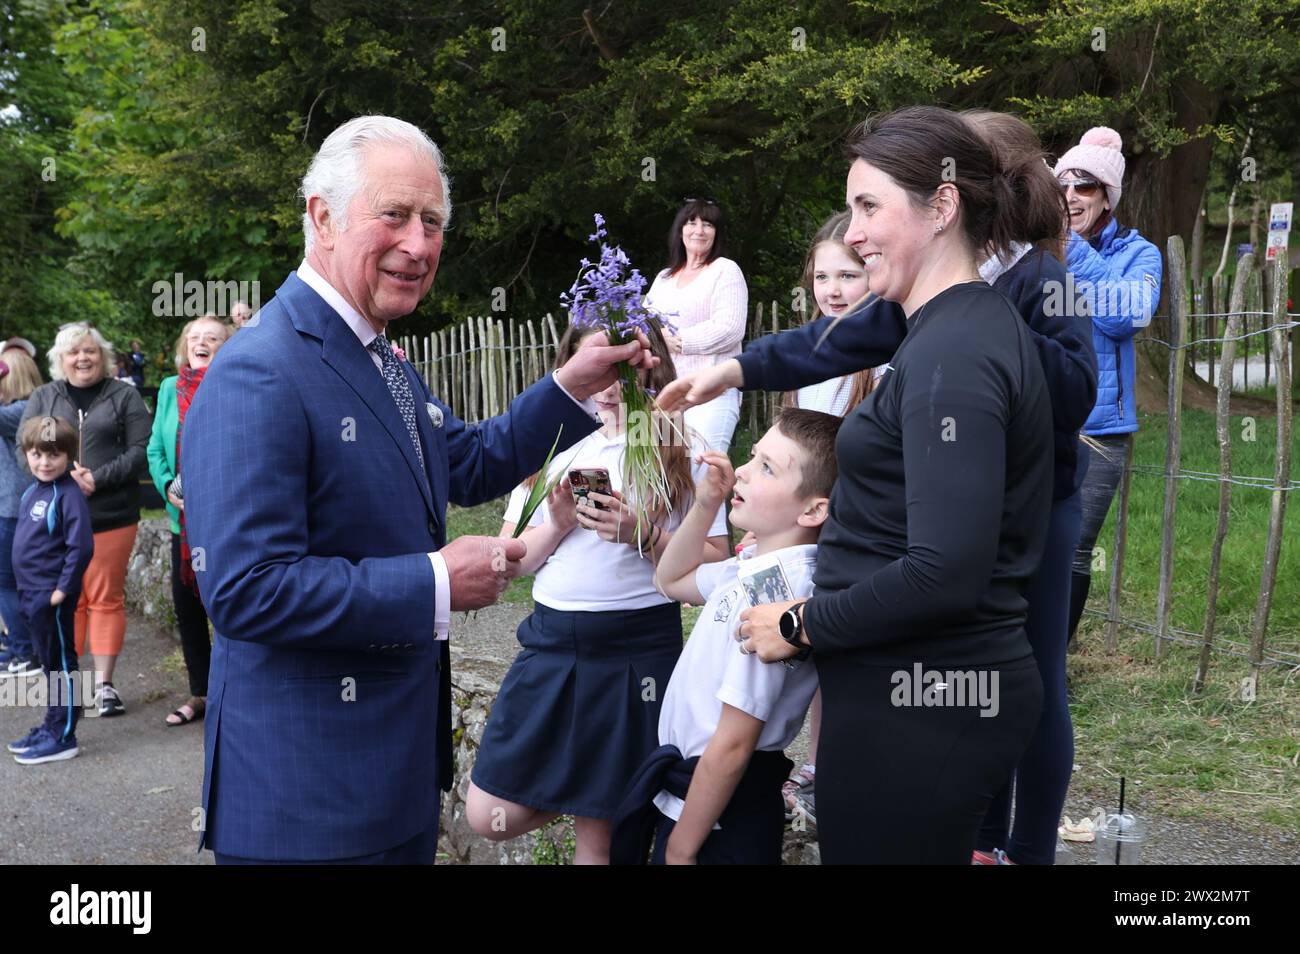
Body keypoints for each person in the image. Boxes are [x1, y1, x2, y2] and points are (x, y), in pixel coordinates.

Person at [180, 115, 654, 865]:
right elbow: (244, 590)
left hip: (391, 785)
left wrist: (570, 383)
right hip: (308, 807)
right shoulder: (259, 372)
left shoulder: (380, 357)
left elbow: (465, 461)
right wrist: (436, 580)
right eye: (394, 215)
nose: (419, 244)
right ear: (323, 217)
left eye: (432, 221)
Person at [663, 106, 1060, 863]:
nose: (853, 233)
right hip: (904, 693)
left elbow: (947, 571)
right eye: (852, 209)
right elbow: (828, 343)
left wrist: (799, 625)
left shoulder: (957, 357)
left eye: (869, 206)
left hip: (929, 703)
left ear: (942, 207)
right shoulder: (937, 328)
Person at [465, 320, 730, 864]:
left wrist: (645, 535)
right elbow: (508, 565)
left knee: (602, 838)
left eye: (621, 366)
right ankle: (587, 789)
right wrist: (558, 523)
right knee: (488, 812)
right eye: (596, 366)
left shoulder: (677, 449)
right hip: (553, 645)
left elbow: (717, 571)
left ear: (647, 366)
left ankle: (601, 797)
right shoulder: (549, 444)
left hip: (637, 651)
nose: (608, 384)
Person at [610, 408, 840, 864]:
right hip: (699, 798)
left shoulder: (779, 593)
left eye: (768, 468)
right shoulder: (752, 564)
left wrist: (680, 850)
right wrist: (705, 505)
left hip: (722, 813)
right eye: (754, 457)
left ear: (814, 509)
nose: (746, 472)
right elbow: (671, 580)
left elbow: (735, 742)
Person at [1057, 127, 1162, 643]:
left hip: (1100, 428)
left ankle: (1055, 662)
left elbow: (1128, 314)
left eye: (1086, 187)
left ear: (1107, 197)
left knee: (1075, 546)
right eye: (1065, 186)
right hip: (1036, 417)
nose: (1072, 197)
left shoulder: (1140, 255)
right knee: (1020, 540)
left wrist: (1071, 249)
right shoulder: (1034, 251)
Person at [20, 323, 151, 717]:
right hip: (56, 520)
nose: (83, 358)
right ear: (60, 359)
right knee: (67, 601)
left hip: (111, 514)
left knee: (105, 599)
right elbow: (27, 448)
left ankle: (105, 686)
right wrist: (61, 481)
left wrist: (97, 478)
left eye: (91, 351)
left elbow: (140, 449)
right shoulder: (45, 397)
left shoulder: (124, 396)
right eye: (74, 352)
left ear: (103, 356)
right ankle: (69, 685)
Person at [146, 315, 230, 727]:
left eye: (212, 338)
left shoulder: (234, 382)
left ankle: (236, 696)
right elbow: (154, 450)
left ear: (225, 347)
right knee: (190, 614)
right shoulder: (167, 389)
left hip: (224, 524)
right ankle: (201, 694)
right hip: (182, 524)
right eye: (194, 337)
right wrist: (168, 488)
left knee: (230, 610)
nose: (201, 342)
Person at [6, 416, 94, 764]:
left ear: (69, 456)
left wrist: (62, 589)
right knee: (47, 663)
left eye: (54, 455)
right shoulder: (32, 490)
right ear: (27, 454)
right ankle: (51, 723)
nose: (44, 462)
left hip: (51, 596)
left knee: (60, 664)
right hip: (31, 594)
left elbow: (81, 547)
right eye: (37, 454)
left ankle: (64, 735)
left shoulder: (68, 495)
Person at [643, 197, 747, 452]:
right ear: (680, 231)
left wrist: (678, 342)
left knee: (702, 469)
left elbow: (730, 328)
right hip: (664, 393)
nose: (699, 230)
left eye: (708, 224)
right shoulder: (663, 278)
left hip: (711, 392)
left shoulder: (725, 270)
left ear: (717, 233)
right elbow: (645, 324)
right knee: (668, 475)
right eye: (691, 223)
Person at [0, 348, 44, 676]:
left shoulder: (20, 411)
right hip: (12, 506)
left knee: (7, 583)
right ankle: (23, 646)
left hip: (11, 509)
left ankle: (24, 651)